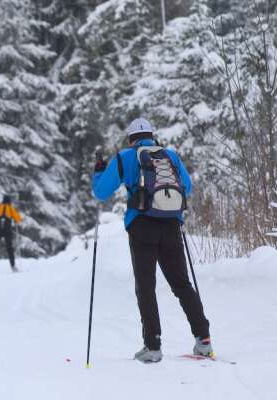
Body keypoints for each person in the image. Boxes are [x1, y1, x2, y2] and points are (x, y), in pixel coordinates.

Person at [91, 117, 213, 363]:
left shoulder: (125, 157)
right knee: (182, 283)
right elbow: (186, 188)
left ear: (131, 138)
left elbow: (101, 192)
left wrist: (99, 172)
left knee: (146, 286)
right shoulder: (170, 156)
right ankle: (203, 339)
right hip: (171, 224)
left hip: (141, 225)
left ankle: (153, 346)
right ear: (152, 135)